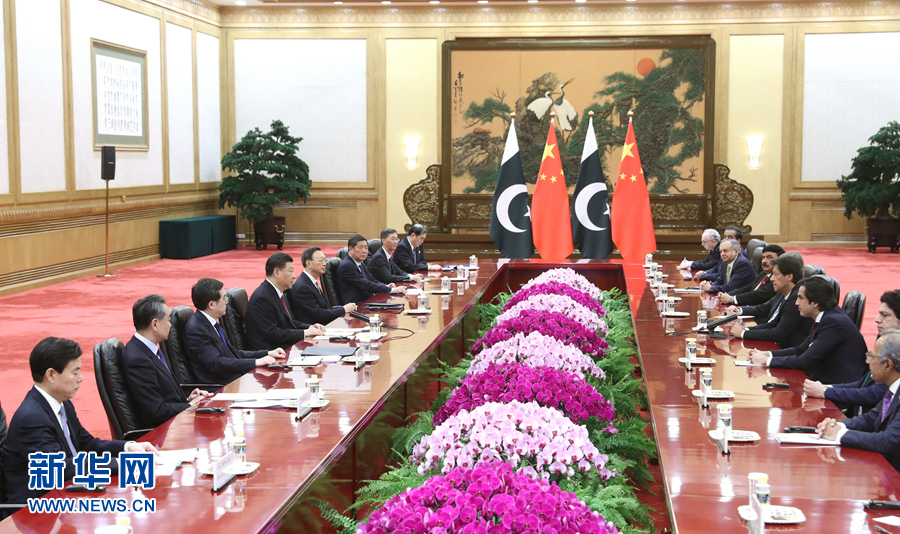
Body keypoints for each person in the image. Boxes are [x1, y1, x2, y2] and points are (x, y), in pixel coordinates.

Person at [2, 337, 158, 503]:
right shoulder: (31, 418)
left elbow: (87, 445)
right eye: (75, 372)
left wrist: (128, 448)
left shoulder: (63, 404)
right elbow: (60, 469)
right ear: (51, 375)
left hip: (68, 493)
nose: (81, 378)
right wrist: (123, 464)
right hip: (36, 508)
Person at [745, 277, 868, 384]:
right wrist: (767, 354)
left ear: (815, 303)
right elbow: (800, 349)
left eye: (800, 298)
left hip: (839, 388)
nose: (796, 303)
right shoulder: (827, 316)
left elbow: (804, 361)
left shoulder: (833, 323)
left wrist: (765, 361)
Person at [121, 295, 212, 429]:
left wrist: (188, 399)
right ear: (155, 324)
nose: (170, 324)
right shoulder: (138, 360)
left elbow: (163, 395)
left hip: (174, 422)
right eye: (168, 320)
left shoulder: (148, 350)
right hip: (164, 432)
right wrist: (190, 406)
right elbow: (156, 411)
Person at [804, 289, 900, 415]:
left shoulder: (894, 350)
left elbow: (873, 394)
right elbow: (863, 383)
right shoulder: (884, 340)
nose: (877, 319)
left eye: (885, 315)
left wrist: (825, 392)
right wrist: (826, 388)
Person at [816, 332, 900, 473]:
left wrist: (839, 434)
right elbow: (869, 419)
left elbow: (888, 441)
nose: (868, 362)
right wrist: (837, 426)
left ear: (888, 365)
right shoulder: (893, 388)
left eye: (872, 357)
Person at [186, 278, 285, 384]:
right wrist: (256, 362)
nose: (226, 302)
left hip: (234, 379)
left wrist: (267, 353)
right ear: (211, 305)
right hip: (220, 386)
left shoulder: (211, 323)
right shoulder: (196, 330)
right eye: (223, 298)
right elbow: (216, 363)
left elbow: (234, 354)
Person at [726, 252, 813, 348]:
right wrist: (745, 329)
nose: (771, 279)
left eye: (776, 274)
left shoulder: (796, 299)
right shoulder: (784, 291)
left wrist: (743, 333)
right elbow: (771, 322)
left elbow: (778, 333)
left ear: (789, 277)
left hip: (787, 349)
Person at [246, 253, 325, 351]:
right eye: (290, 271)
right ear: (277, 273)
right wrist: (304, 333)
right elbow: (273, 333)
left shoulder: (279, 292)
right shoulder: (262, 298)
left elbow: (289, 322)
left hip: (283, 347)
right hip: (270, 352)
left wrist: (310, 327)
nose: (294, 276)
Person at [290, 247, 357, 325]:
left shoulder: (310, 282)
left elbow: (324, 309)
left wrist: (344, 308)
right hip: (315, 328)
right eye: (321, 260)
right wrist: (343, 309)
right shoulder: (302, 287)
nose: (325, 264)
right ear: (309, 264)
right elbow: (318, 315)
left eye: (325, 260)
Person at [338, 234, 407, 305]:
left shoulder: (360, 262)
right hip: (357, 304)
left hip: (367, 300)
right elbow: (365, 284)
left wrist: (386, 286)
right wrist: (392, 290)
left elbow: (371, 280)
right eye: (360, 247)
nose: (364, 251)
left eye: (366, 248)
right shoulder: (347, 265)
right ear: (350, 249)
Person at [718, 244, 785, 306]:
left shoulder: (777, 279)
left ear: (780, 260)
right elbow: (748, 288)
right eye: (763, 257)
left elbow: (758, 295)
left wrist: (732, 299)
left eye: (769, 258)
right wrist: (727, 295)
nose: (764, 261)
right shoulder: (763, 273)